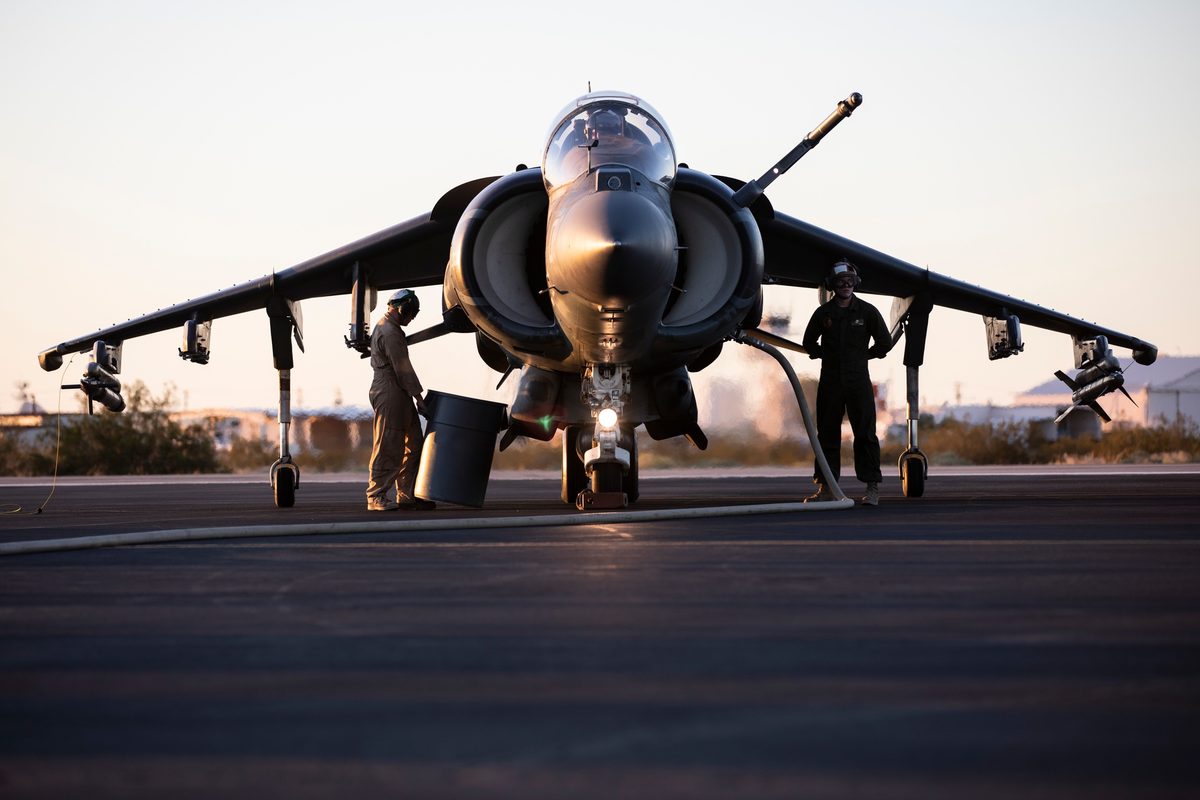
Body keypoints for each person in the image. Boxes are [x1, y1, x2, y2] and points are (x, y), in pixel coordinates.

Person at [801, 261, 891, 506]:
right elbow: (808, 342)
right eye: (841, 282)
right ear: (832, 285)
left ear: (855, 283)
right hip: (830, 382)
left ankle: (872, 488)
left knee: (865, 433)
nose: (846, 286)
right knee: (827, 434)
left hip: (858, 381)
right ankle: (827, 487)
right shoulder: (823, 314)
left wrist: (864, 356)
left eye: (850, 281)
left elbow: (885, 343)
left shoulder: (867, 312)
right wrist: (826, 355)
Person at [366, 289, 435, 511]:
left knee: (414, 442)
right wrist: (419, 397)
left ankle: (406, 493)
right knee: (388, 444)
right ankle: (376, 496)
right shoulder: (389, 332)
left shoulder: (391, 328)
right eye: (411, 312)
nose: (412, 317)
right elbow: (402, 369)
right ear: (402, 309)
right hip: (389, 389)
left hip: (399, 390)